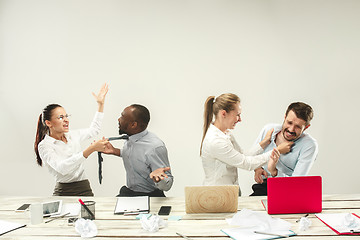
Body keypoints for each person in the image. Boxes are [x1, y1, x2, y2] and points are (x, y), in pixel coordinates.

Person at [200, 93, 292, 195]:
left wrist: (264, 142)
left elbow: (242, 154)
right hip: (217, 195)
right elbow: (246, 163)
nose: (240, 119)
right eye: (237, 115)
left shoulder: (226, 133)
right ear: (223, 114)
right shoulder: (216, 141)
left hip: (229, 193)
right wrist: (277, 151)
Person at [34, 83, 109, 196]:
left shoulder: (72, 135)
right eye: (60, 117)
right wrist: (91, 149)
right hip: (63, 192)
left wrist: (100, 105)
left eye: (66, 116)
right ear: (48, 123)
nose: (66, 120)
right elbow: (62, 168)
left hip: (84, 188)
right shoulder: (44, 146)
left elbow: (94, 129)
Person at [102, 104, 173, 197]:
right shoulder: (131, 137)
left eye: (122, 117)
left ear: (133, 124)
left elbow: (168, 184)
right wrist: (115, 151)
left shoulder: (155, 147)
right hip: (130, 193)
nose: (119, 119)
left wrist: (159, 179)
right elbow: (138, 156)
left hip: (150, 197)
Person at [250, 102, 319, 196]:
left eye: (298, 127)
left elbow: (296, 183)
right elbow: (251, 157)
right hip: (263, 187)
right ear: (285, 117)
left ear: (306, 127)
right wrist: (258, 168)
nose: (291, 129)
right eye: (289, 122)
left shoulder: (309, 145)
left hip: (288, 192)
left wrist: (274, 171)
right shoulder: (269, 130)